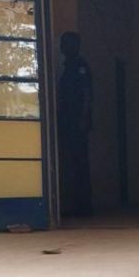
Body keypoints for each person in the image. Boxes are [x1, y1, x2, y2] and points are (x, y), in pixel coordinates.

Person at [57, 31, 93, 217]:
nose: (62, 47)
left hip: (76, 122)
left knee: (79, 163)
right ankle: (75, 204)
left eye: (66, 43)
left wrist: (83, 120)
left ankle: (83, 206)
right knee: (71, 163)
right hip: (68, 121)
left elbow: (86, 94)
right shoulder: (68, 66)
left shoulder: (80, 66)